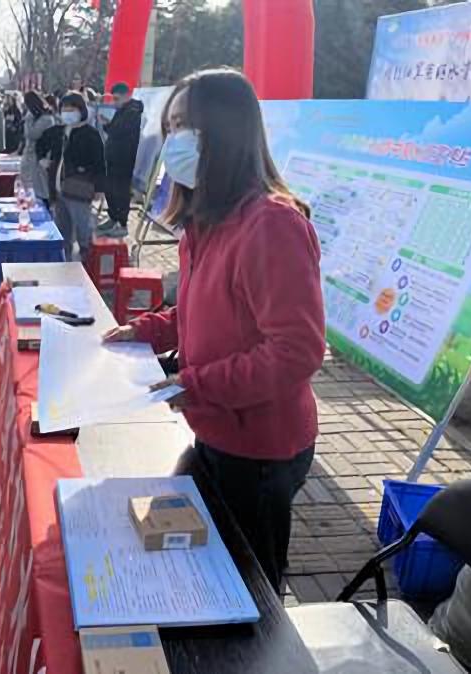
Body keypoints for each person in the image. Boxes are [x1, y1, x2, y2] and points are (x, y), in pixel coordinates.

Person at [103, 68, 326, 594]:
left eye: (186, 126)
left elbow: (296, 351)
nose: (174, 140)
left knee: (251, 588)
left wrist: (196, 383)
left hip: (261, 450)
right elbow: (200, 312)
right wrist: (146, 332)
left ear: (227, 131)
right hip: (215, 430)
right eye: (170, 126)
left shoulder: (271, 224)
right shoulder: (203, 220)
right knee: (196, 559)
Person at [54, 91, 105, 262]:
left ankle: (88, 263)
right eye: (64, 109)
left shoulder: (90, 134)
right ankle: (64, 263)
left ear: (81, 110)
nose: (67, 113)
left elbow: (100, 163)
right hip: (60, 189)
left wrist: (99, 188)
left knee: (84, 231)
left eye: (71, 109)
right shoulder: (63, 131)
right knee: (62, 231)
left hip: (80, 190)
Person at [98, 82, 144, 238]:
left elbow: (120, 130)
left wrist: (109, 126)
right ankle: (113, 218)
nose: (114, 102)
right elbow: (114, 129)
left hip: (124, 159)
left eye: (117, 99)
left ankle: (122, 223)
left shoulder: (133, 111)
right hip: (113, 157)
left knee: (121, 192)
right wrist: (107, 124)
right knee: (110, 189)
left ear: (126, 96)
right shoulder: (122, 110)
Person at [19, 91, 57, 208]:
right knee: (29, 188)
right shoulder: (36, 117)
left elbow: (32, 134)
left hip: (39, 158)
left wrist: (28, 118)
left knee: (40, 189)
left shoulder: (46, 119)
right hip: (30, 157)